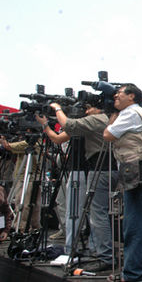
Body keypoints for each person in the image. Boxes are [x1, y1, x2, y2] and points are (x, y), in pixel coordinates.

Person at [36, 102, 116, 271]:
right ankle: (91, 248)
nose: (86, 111)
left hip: (92, 170)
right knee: (92, 213)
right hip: (91, 169)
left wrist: (57, 109)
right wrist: (45, 125)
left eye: (88, 107)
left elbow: (66, 127)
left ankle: (87, 249)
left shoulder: (95, 121)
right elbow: (59, 137)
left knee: (92, 213)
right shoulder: (90, 122)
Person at [103, 84, 142, 282]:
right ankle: (140, 269)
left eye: (120, 93)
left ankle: (132, 274)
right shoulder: (139, 112)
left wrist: (112, 115)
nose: (116, 96)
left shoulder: (130, 112)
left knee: (134, 225)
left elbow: (108, 135)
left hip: (138, 171)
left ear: (132, 96)